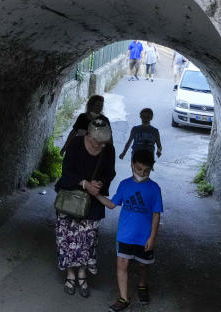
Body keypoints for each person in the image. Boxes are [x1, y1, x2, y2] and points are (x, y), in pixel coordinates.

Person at [54, 116, 116, 299]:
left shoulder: (108, 150)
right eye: (98, 142)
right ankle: (70, 274)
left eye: (104, 143)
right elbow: (66, 172)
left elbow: (110, 173)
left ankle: (82, 274)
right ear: (89, 134)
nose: (101, 146)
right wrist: (84, 183)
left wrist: (100, 183)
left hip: (93, 203)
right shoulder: (75, 144)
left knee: (87, 241)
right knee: (67, 238)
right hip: (70, 200)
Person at [94, 149, 163, 311]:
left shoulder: (154, 189)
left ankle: (142, 285)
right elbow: (112, 204)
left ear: (151, 169)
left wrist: (152, 238)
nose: (142, 173)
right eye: (139, 169)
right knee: (122, 265)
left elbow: (156, 215)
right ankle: (124, 298)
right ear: (132, 165)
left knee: (143, 265)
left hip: (144, 236)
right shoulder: (124, 185)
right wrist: (96, 194)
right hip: (125, 235)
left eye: (146, 170)